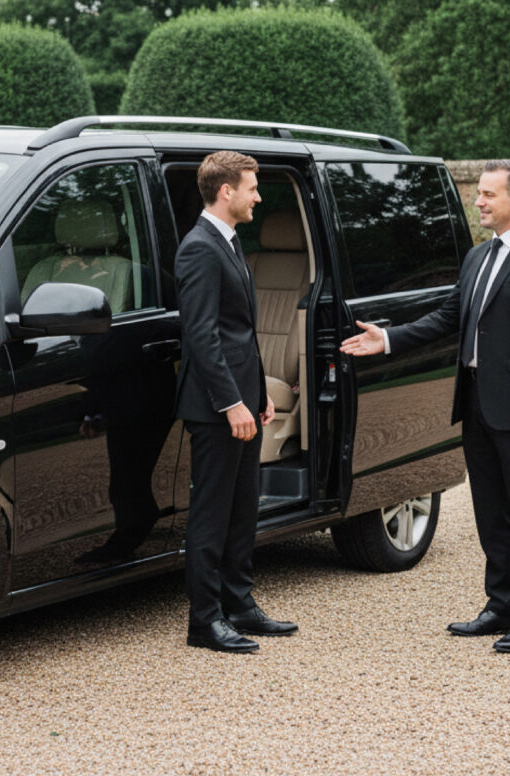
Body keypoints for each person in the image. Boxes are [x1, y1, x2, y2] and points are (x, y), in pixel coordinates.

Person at [341, 160, 510, 653]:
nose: (479, 201)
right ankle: (500, 605)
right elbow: (449, 317)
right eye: (480, 193)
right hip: (474, 404)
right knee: (490, 513)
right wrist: (388, 339)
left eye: (489, 194)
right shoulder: (476, 257)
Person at [175, 151, 298, 653]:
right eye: (252, 188)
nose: (258, 197)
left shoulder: (228, 241)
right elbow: (202, 336)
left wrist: (258, 396)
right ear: (226, 191)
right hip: (214, 410)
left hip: (243, 401)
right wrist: (230, 403)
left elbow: (240, 334)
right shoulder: (199, 249)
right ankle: (205, 622)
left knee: (243, 510)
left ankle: (240, 604)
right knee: (211, 515)